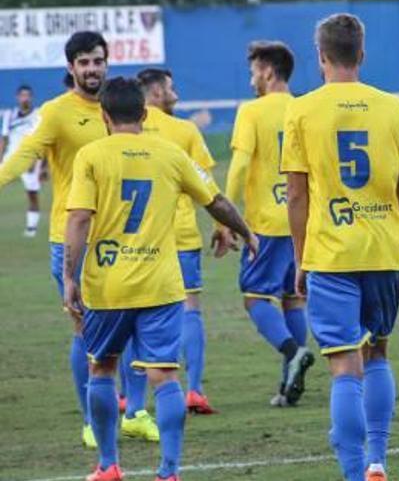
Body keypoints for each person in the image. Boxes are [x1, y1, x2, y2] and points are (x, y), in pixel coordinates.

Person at [63, 76, 257, 481]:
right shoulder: (170, 154)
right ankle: (169, 472)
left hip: (108, 284)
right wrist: (247, 232)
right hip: (161, 284)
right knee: (165, 376)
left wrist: (69, 275)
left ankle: (108, 466)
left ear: (104, 116)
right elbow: (216, 200)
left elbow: (79, 217)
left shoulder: (92, 156)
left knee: (102, 368)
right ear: (145, 113)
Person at [282, 13, 399, 481]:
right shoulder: (393, 108)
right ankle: (378, 459)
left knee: (344, 366)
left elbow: (296, 194)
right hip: (384, 249)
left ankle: (354, 471)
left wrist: (300, 258)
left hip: (330, 253)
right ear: (361, 54)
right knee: (378, 353)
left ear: (320, 56)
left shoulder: (300, 110)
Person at [0, 31, 110, 449]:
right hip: (72, 239)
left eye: (97, 60)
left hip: (120, 237)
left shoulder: (120, 105)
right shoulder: (57, 113)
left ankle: (133, 411)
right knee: (85, 332)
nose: (91, 69)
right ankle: (89, 418)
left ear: (106, 62)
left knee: (129, 330)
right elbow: (26, 153)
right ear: (71, 68)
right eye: (83, 63)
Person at [215, 41, 315, 408]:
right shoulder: (305, 108)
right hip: (302, 219)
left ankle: (293, 353)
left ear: (269, 71)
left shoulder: (252, 111)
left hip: (267, 223)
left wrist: (225, 219)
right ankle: (289, 381)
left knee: (254, 296)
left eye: (254, 70)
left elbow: (240, 167)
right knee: (293, 297)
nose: (252, 77)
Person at [138, 67, 219, 415]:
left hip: (140, 238)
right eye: (171, 88)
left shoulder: (126, 130)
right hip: (182, 234)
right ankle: (195, 390)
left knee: (137, 314)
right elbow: (205, 183)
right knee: (190, 309)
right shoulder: (184, 130)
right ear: (156, 92)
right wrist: (224, 223)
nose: (176, 93)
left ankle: (133, 398)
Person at [0, 85, 42, 237]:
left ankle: (31, 228)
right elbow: (4, 138)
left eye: (28, 95)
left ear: (31, 97)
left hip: (30, 159)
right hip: (10, 158)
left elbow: (41, 140)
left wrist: (38, 162)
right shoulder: (9, 115)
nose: (25, 98)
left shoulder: (38, 115)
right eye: (22, 95)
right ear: (18, 97)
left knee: (32, 194)